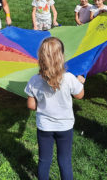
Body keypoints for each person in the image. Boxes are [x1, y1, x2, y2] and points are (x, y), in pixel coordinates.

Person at [25, 37, 85, 180]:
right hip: (65, 126)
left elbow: (31, 105)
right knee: (64, 161)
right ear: (62, 56)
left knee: (44, 160)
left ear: (40, 57)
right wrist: (80, 82)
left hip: (44, 127)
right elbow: (79, 96)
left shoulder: (34, 80)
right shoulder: (70, 78)